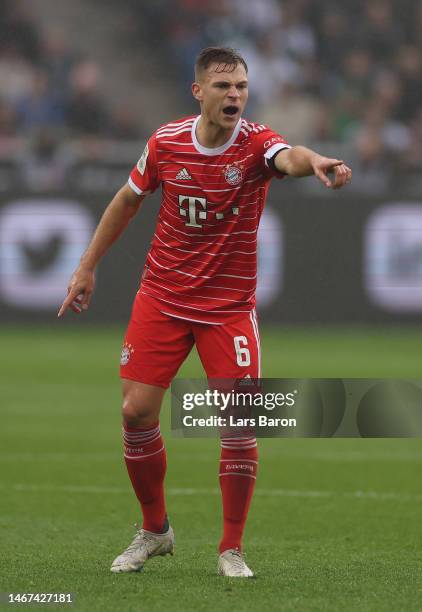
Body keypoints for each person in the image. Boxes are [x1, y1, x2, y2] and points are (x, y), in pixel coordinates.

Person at [58, 47, 352, 578]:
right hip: (163, 298)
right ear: (199, 92)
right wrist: (87, 267)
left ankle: (231, 548)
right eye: (223, 86)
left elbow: (290, 156)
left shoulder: (257, 144)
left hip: (228, 309)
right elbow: (127, 201)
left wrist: (318, 163)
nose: (234, 94)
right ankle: (155, 530)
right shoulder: (167, 142)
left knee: (237, 424)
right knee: (135, 412)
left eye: (241, 85)